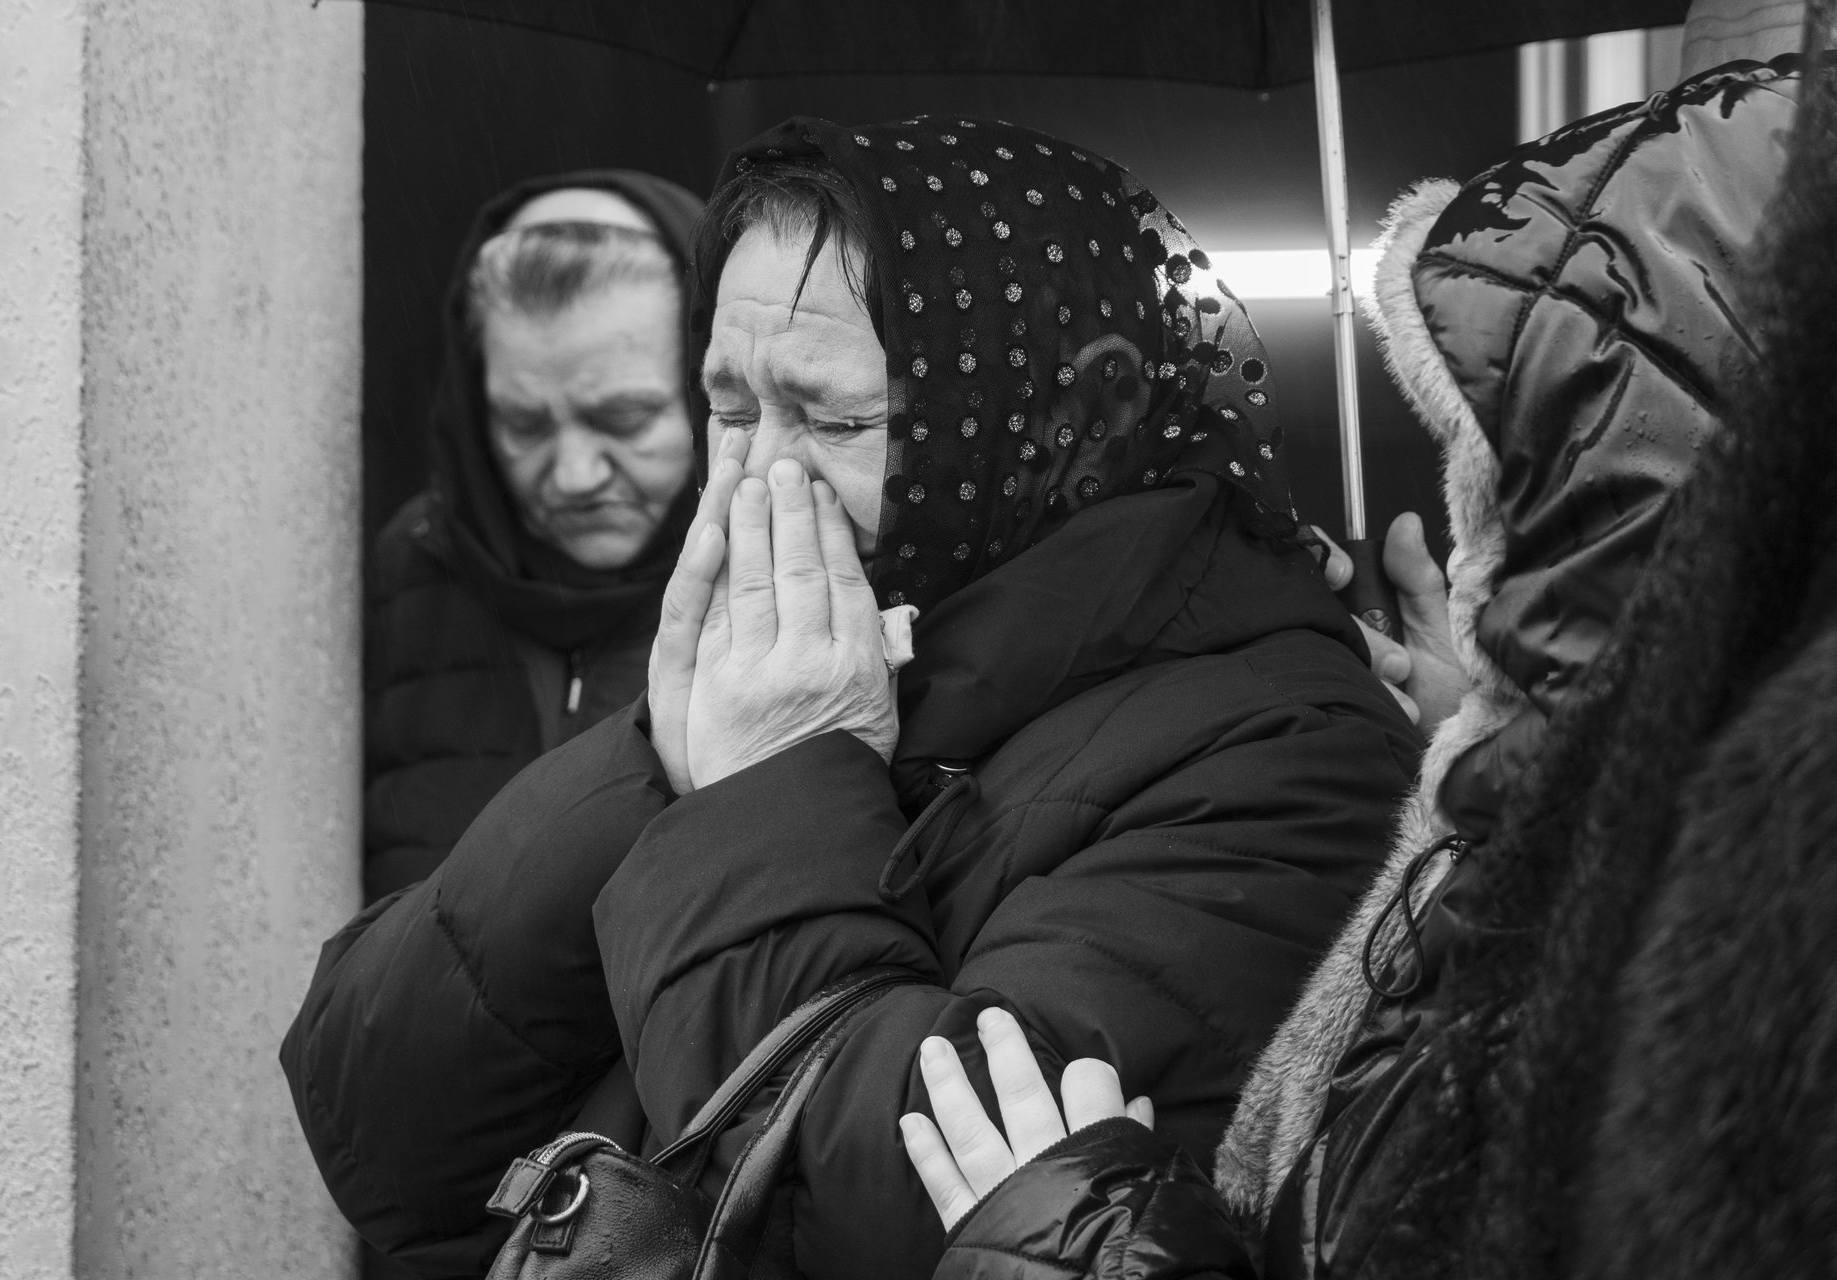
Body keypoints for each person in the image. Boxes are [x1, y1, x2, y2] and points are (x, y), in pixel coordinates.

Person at [281, 117, 1422, 1278]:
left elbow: (900, 1227)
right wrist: (656, 763)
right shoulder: (803, 670)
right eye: (731, 410)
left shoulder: (1289, 757)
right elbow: (379, 1132)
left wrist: (768, 791)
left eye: (835, 420)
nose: (753, 480)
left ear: (1078, 412)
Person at [894, 21, 1832, 1280]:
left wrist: (1079, 1240)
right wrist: (1504, 743)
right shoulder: (1596, 831)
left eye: (1511, 488)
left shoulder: (1755, 917)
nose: (1475, 541)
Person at [364, 171, 704, 901]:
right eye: (524, 425)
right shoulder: (415, 566)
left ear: (715, 390)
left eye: (623, 420)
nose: (575, 475)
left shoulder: (798, 579)